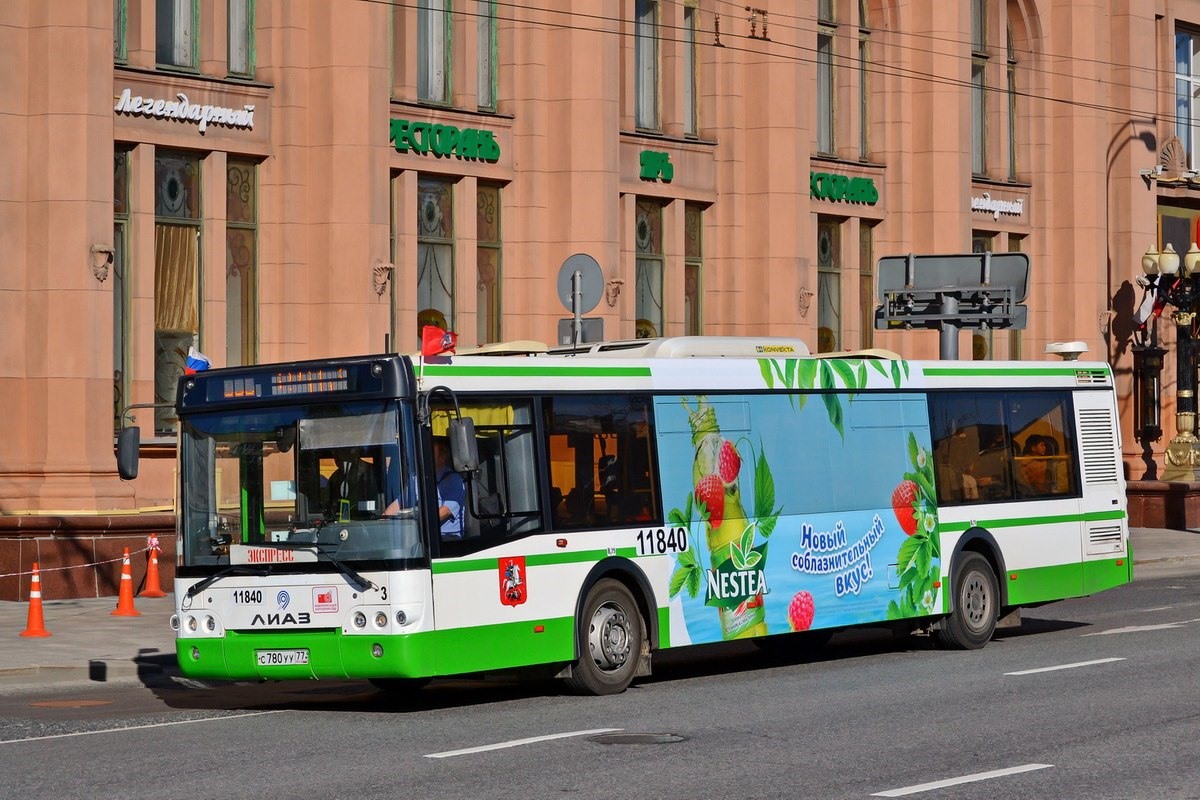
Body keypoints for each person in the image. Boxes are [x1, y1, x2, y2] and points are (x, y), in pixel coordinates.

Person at [327, 447, 381, 520]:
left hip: (364, 521)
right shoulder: (335, 476)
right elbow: (331, 504)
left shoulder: (368, 470)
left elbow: (377, 504)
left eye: (339, 452)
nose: (335, 457)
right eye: (334, 453)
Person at [433, 437, 465, 539]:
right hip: (422, 534)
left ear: (442, 457)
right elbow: (398, 504)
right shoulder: (417, 478)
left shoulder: (454, 480)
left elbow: (445, 511)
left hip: (448, 538)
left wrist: (417, 520)